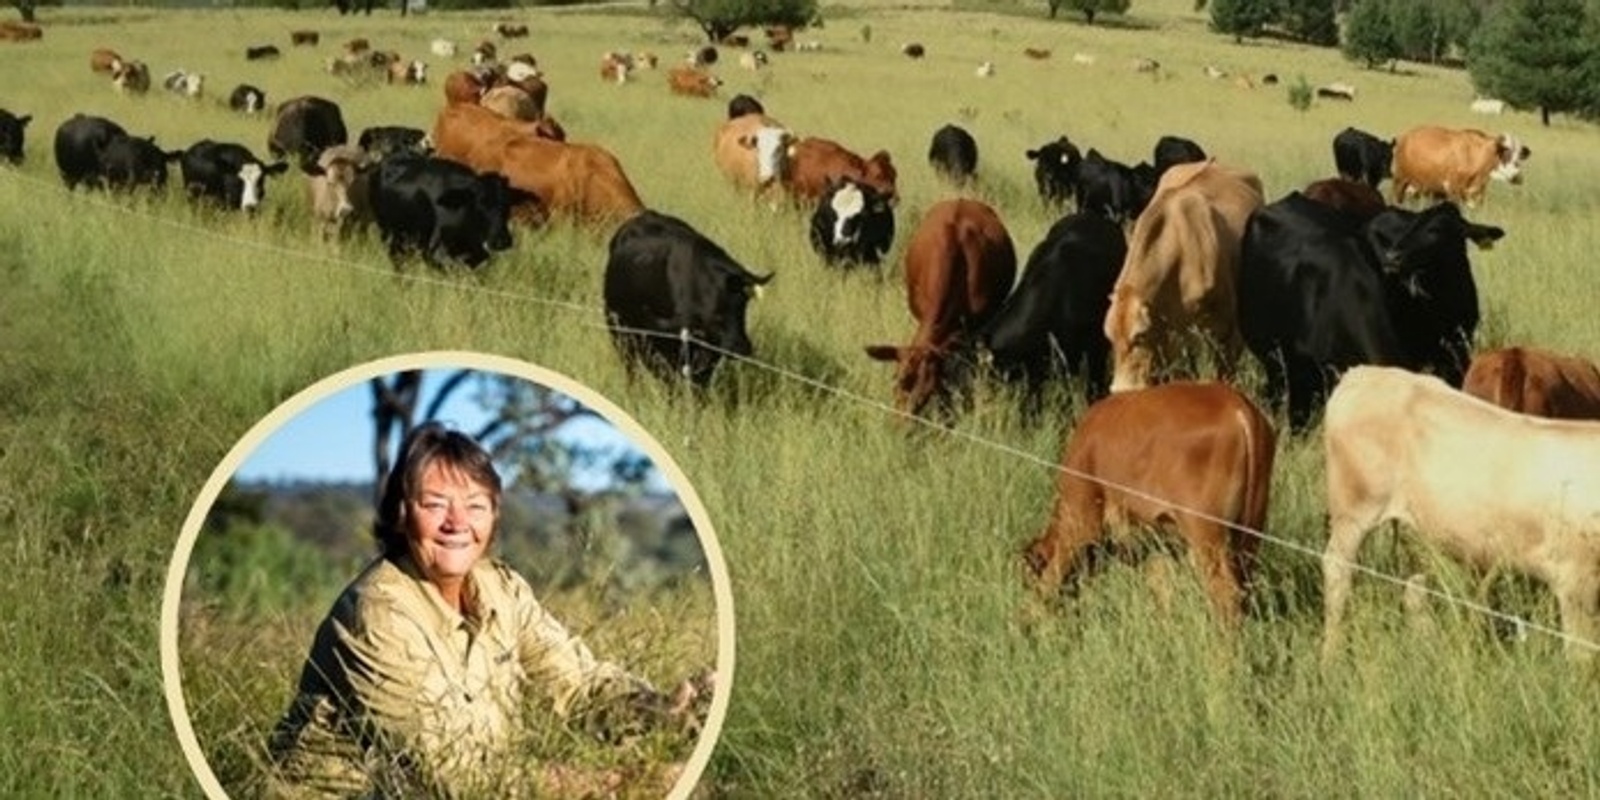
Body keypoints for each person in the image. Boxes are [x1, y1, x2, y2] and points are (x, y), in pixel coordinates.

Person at [266, 422, 705, 798]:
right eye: (435, 504)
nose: (457, 523)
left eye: (475, 506)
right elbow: (456, 777)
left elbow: (578, 686)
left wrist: (665, 711)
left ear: (494, 516)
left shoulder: (502, 589)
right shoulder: (376, 615)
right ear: (402, 514)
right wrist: (630, 783)